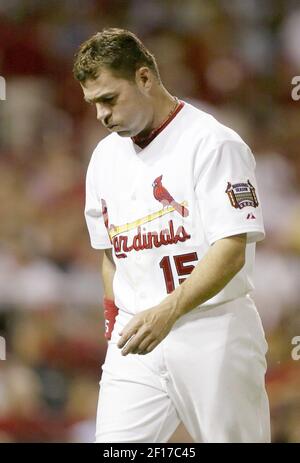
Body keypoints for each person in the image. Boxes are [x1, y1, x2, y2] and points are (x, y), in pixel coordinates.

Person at [73, 28, 271, 443]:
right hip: (137, 335)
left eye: (109, 99)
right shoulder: (104, 156)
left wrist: (169, 311)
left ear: (144, 78)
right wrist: (114, 318)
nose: (102, 115)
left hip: (211, 327)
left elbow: (232, 248)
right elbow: (110, 255)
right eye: (94, 104)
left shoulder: (213, 143)